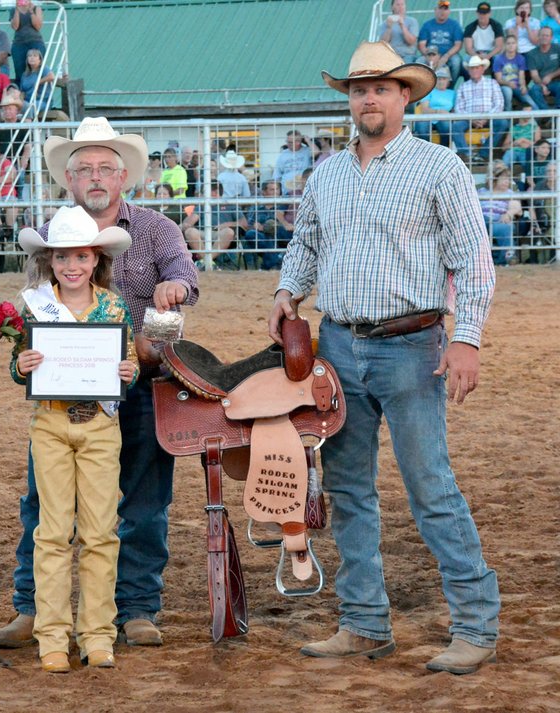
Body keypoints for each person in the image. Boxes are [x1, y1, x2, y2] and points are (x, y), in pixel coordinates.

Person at [267, 41, 499, 676]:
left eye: (380, 88)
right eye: (357, 89)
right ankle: (365, 622)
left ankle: (476, 624)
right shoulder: (327, 173)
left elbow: (473, 260)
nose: (367, 98)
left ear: (405, 97)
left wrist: (467, 337)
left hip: (414, 344)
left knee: (431, 487)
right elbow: (307, 243)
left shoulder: (438, 168)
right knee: (348, 489)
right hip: (339, 342)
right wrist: (288, 291)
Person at [0, 116, 199, 650]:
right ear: (69, 178)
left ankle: (135, 607)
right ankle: (34, 607)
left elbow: (185, 275)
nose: (95, 176)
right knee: (43, 502)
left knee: (143, 501)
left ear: (124, 175)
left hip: (140, 380)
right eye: (83, 167)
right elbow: (33, 311)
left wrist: (173, 286)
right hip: (63, 389)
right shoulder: (54, 240)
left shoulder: (158, 230)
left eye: (105, 167)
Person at [13, 205, 139, 672]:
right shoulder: (35, 304)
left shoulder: (114, 306)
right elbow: (17, 363)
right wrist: (21, 366)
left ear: (95, 260)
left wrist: (130, 370)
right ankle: (51, 637)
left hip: (101, 426)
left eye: (81, 257)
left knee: (101, 532)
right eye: (63, 257)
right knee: (51, 533)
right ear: (50, 261)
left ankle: (98, 635)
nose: (72, 266)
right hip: (50, 422)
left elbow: (127, 363)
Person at [451, 55, 507, 160]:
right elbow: (459, 107)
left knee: (503, 123)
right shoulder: (463, 86)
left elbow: (499, 103)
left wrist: (486, 118)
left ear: (482, 69)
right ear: (469, 71)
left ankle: (484, 153)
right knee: (455, 127)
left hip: (489, 117)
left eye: (477, 68)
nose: (475, 70)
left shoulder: (492, 83)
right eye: (472, 68)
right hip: (468, 119)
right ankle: (466, 154)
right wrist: (472, 119)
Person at [478, 162, 522, 265]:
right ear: (494, 180)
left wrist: (509, 214)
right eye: (503, 179)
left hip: (498, 221)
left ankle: (506, 259)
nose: (507, 182)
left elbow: (517, 208)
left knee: (506, 228)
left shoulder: (509, 193)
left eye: (508, 179)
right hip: (481, 221)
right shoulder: (481, 191)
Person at [244, 179, 292, 270]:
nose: (276, 192)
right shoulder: (256, 206)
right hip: (261, 237)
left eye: (277, 189)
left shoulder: (283, 205)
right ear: (264, 192)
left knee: (272, 229)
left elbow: (287, 224)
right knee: (250, 234)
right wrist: (255, 226)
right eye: (272, 190)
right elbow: (248, 226)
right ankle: (277, 260)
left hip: (280, 236)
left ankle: (268, 265)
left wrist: (267, 227)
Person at [417, 1, 463, 84]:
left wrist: (446, 56)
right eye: (440, 9)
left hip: (449, 55)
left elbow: (458, 45)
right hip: (430, 54)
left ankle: (450, 87)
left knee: (456, 62)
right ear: (435, 10)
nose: (442, 11)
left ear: (449, 11)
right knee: (418, 62)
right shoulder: (427, 25)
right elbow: (421, 45)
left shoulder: (454, 25)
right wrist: (429, 56)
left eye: (445, 9)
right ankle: (422, 87)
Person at [412, 66, 455, 146]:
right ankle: (425, 153)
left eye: (444, 79)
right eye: (439, 79)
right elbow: (425, 109)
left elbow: (455, 109)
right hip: (428, 117)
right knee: (421, 126)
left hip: (444, 118)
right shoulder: (428, 91)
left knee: (446, 126)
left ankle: (444, 153)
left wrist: (450, 114)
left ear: (448, 81)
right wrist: (439, 111)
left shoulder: (452, 93)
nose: (441, 82)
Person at [494, 33, 539, 109]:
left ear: (516, 45)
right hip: (504, 86)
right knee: (508, 91)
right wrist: (508, 83)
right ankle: (508, 114)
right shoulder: (498, 59)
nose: (511, 45)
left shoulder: (520, 58)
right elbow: (498, 79)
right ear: (505, 45)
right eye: (508, 43)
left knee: (533, 105)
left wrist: (523, 86)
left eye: (513, 43)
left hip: (517, 86)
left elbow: (521, 76)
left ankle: (536, 119)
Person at [10, 0, 46, 82]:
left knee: (38, 68)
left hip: (36, 41)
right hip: (19, 43)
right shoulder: (13, 10)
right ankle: (21, 92)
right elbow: (15, 26)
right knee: (19, 70)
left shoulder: (37, 8)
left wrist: (31, 12)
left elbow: (38, 26)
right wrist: (17, 10)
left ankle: (38, 91)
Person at [526, 26, 560, 109]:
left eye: (547, 35)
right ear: (538, 37)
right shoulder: (531, 54)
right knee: (533, 90)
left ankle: (558, 112)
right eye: (542, 35)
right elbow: (534, 75)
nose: (544, 37)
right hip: (540, 83)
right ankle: (547, 115)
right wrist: (542, 85)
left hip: (556, 82)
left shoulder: (557, 49)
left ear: (551, 38)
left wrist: (550, 76)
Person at [463, 2, 504, 67]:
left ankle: (496, 77)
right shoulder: (469, 27)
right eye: (480, 13)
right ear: (477, 13)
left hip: (491, 53)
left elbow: (499, 46)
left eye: (485, 13)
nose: (482, 15)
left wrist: (488, 56)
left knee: (498, 59)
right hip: (476, 52)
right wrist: (477, 56)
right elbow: (468, 48)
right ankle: (470, 77)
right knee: (466, 61)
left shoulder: (497, 26)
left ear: (490, 13)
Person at [20, 47, 54, 117]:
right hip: (28, 101)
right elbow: (22, 91)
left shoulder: (43, 69)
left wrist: (38, 82)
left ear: (39, 60)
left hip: (42, 101)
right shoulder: (25, 74)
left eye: (35, 56)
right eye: (29, 56)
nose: (32, 58)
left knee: (30, 107)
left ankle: (29, 126)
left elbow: (51, 76)